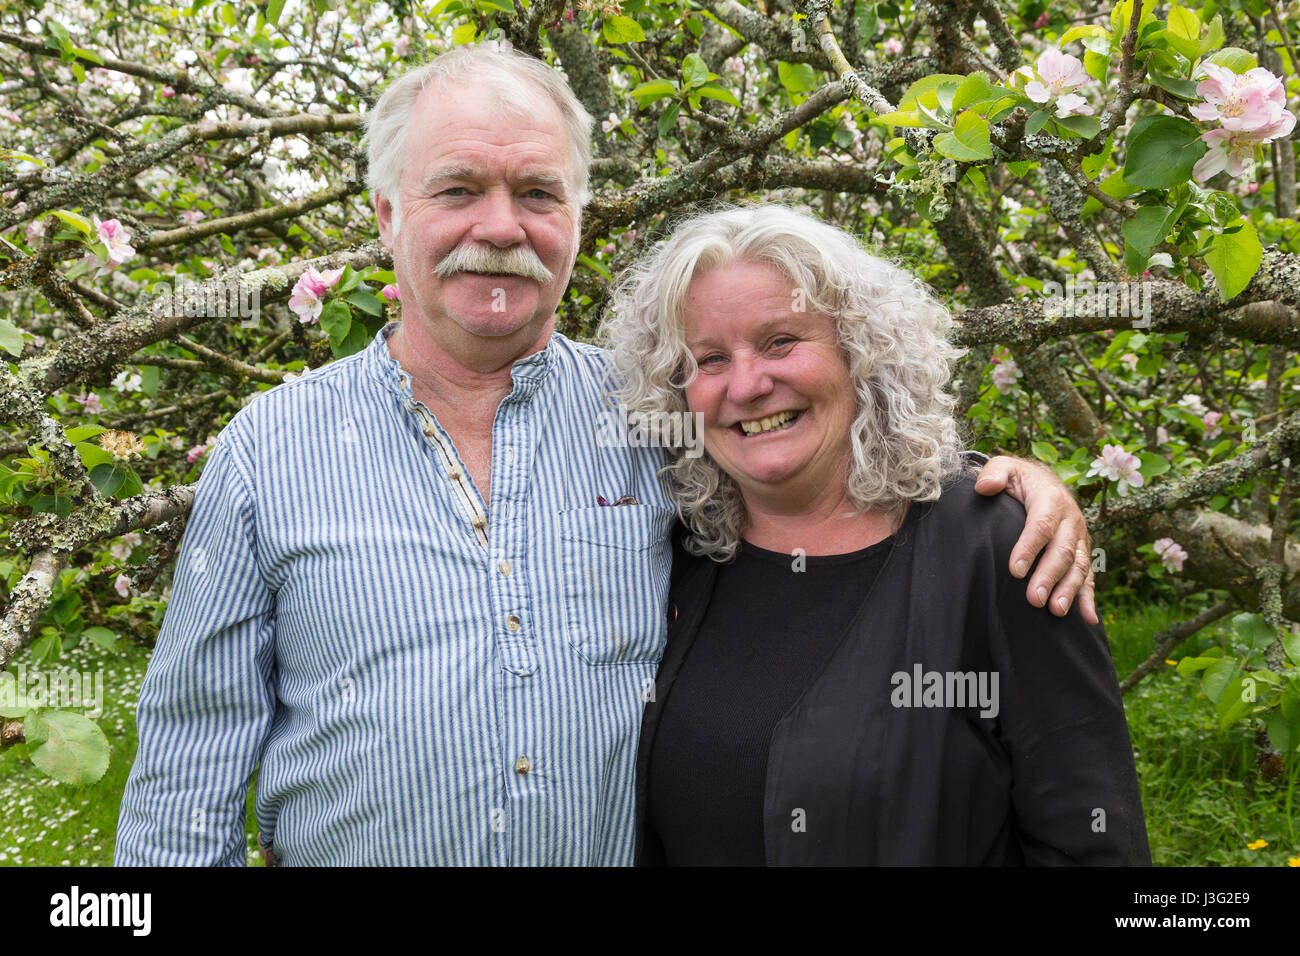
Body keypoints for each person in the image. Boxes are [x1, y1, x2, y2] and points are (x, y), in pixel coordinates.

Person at [115, 45, 1094, 867]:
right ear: (386, 214)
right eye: (457, 188)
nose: (500, 226)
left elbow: (820, 457)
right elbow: (187, 767)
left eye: (537, 192)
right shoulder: (270, 447)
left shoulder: (656, 414)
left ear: (576, 218)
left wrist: (994, 486)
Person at [602, 203, 1150, 866]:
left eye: (781, 341)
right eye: (710, 359)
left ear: (861, 350)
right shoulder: (672, 548)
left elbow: (1091, 843)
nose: (747, 384)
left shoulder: (997, 548)